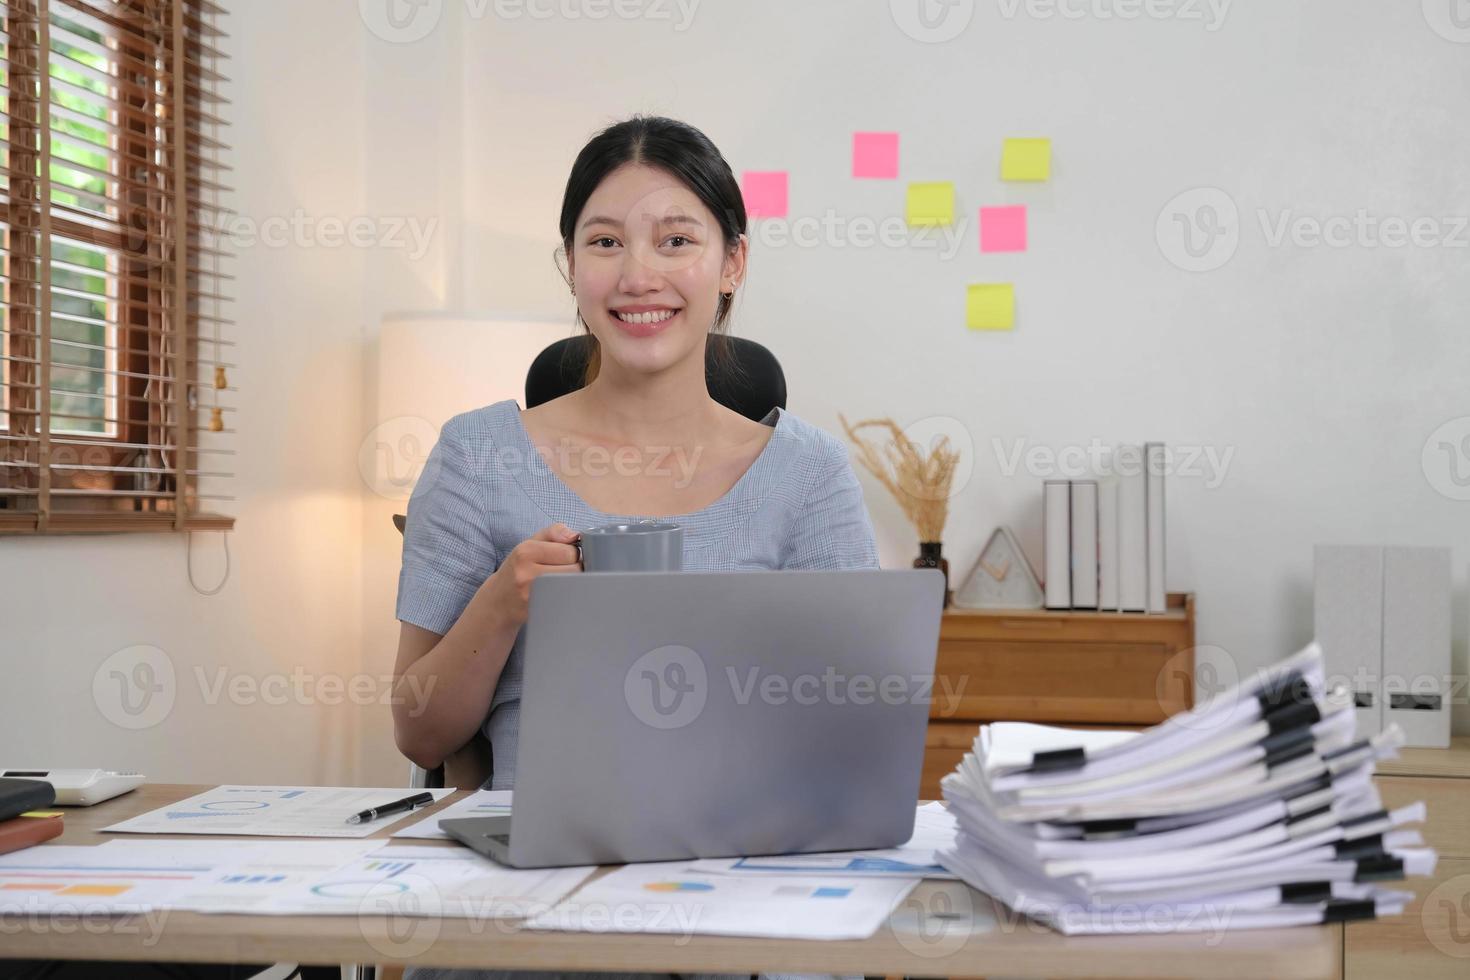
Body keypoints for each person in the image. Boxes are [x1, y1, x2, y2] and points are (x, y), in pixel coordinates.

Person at [391, 115, 879, 980]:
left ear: (732, 263)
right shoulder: (477, 456)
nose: (638, 274)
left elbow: (856, 745)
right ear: (570, 266)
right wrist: (505, 600)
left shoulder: (808, 475)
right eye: (605, 240)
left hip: (746, 889)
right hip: (533, 901)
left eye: (676, 239)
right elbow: (417, 725)